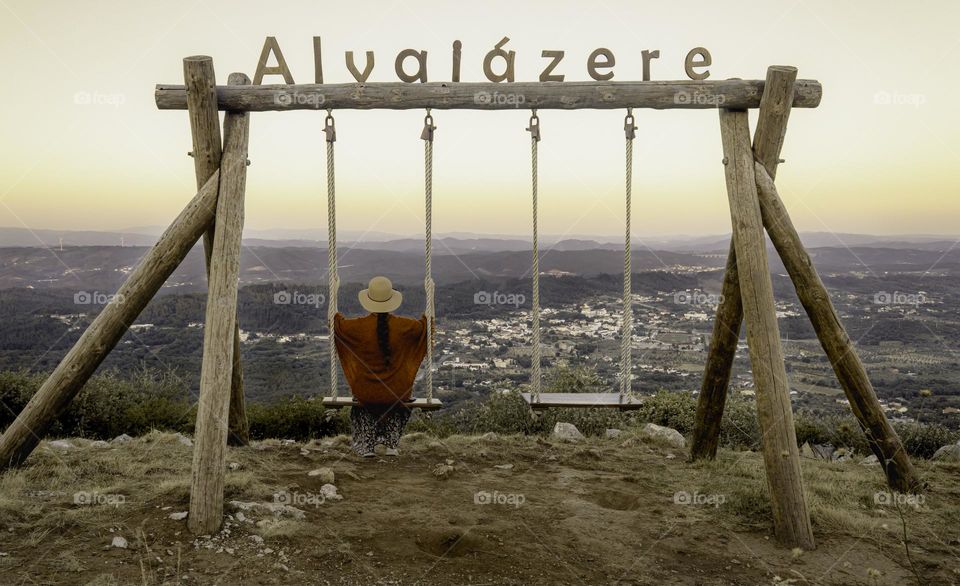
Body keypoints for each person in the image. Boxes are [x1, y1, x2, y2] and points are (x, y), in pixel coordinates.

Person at [333, 276, 429, 458]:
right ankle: (391, 443)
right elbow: (425, 328)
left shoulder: (356, 327)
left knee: (363, 404)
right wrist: (429, 299)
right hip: (397, 392)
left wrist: (334, 293)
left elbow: (336, 325)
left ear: (368, 300)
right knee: (401, 401)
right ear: (391, 300)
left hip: (366, 392)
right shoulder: (406, 326)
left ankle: (367, 445)